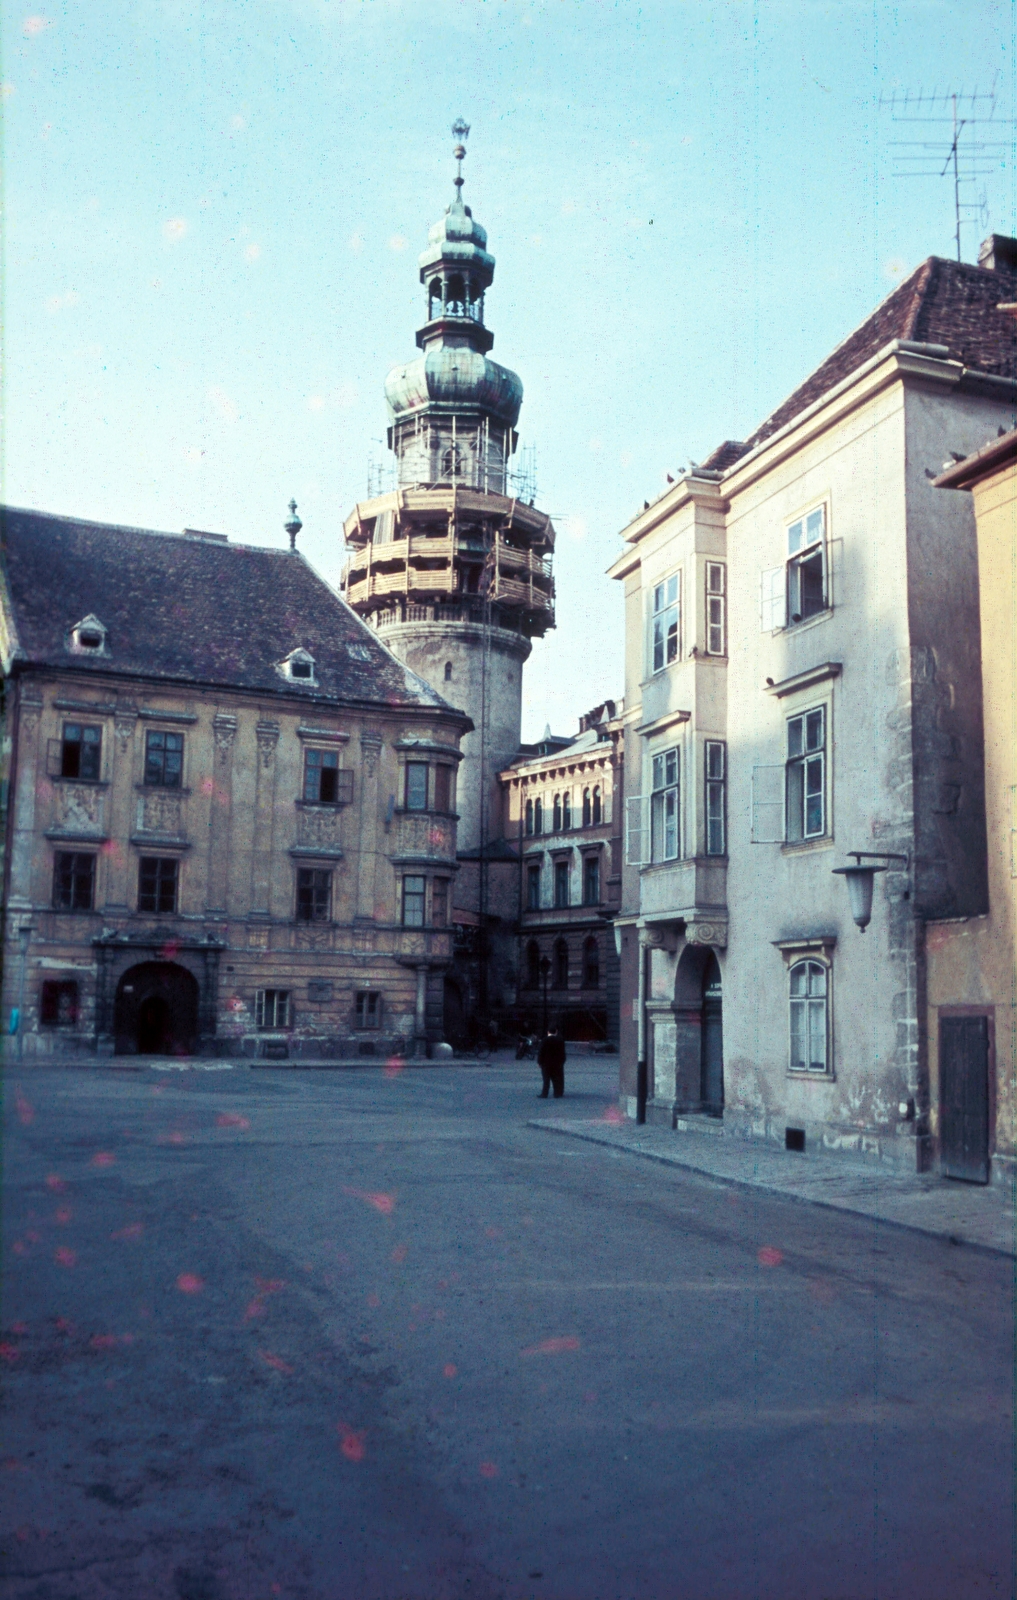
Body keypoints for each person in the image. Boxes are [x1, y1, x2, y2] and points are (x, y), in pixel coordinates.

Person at [537, 1027, 566, 1099]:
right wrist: (562, 1061)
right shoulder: (560, 1040)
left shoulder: (544, 1040)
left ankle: (544, 1093)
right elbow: (563, 1053)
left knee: (546, 1079)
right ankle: (557, 1093)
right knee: (556, 1078)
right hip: (557, 1063)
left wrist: (539, 1062)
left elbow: (541, 1052)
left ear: (548, 1032)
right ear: (556, 1032)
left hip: (546, 1063)